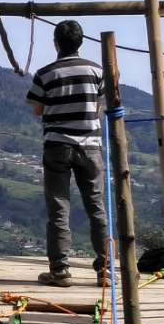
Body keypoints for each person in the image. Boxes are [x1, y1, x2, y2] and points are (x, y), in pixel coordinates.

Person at [25, 20, 108, 287]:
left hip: (57, 146)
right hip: (90, 147)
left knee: (59, 208)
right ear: (81, 42)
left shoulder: (45, 73)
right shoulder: (97, 70)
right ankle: (104, 269)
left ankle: (60, 270)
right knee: (96, 207)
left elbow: (37, 110)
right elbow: (97, 107)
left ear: (56, 43)